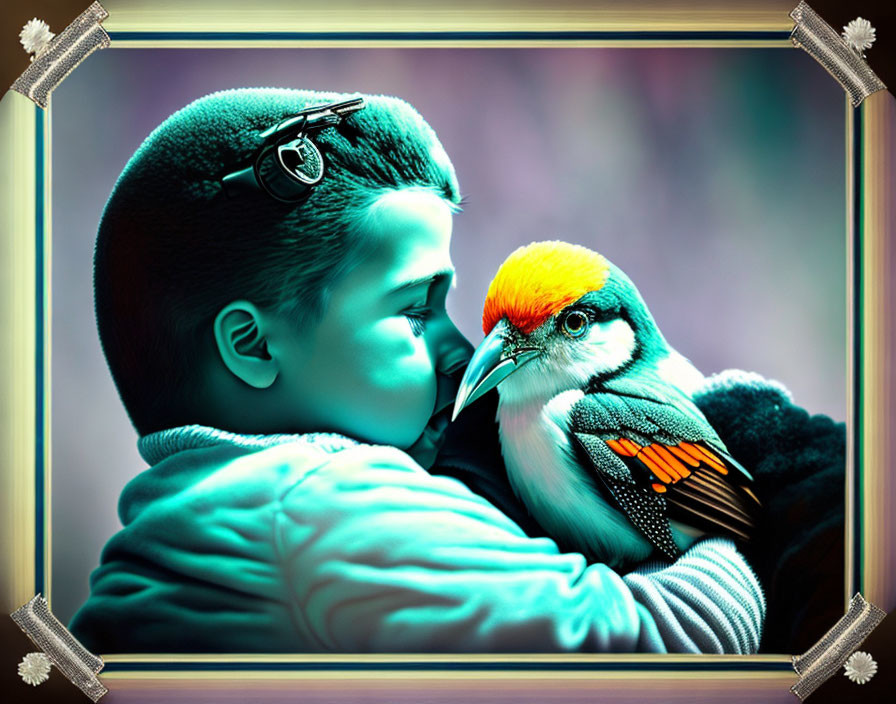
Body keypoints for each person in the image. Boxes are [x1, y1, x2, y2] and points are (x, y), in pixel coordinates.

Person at [69, 88, 764, 654]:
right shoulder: (325, 504)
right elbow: (671, 639)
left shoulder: (203, 510)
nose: (460, 351)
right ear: (253, 347)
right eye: (412, 313)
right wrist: (736, 533)